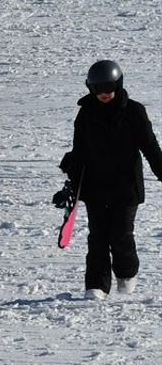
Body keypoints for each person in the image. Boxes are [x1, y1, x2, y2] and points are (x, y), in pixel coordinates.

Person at [56, 60, 162, 299]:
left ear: (118, 84)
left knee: (121, 234)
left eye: (108, 87)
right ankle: (96, 286)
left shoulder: (134, 112)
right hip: (95, 187)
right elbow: (80, 151)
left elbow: (150, 147)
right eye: (97, 88)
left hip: (126, 187)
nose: (104, 93)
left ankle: (126, 274)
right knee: (98, 238)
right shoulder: (85, 115)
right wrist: (72, 182)